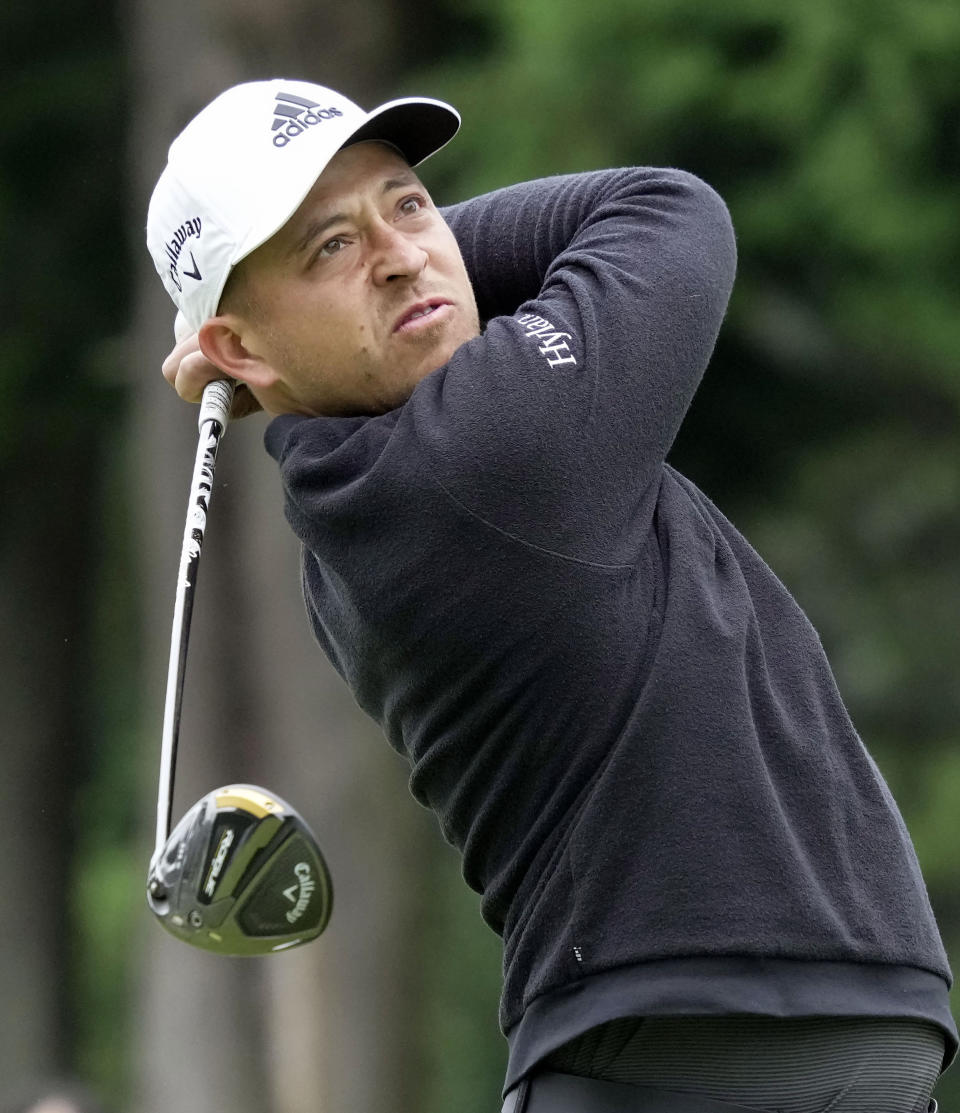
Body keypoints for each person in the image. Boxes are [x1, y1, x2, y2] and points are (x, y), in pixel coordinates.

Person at [148, 78, 956, 1113]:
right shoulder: (491, 452)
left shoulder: (358, 519)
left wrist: (324, 304)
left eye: (409, 203)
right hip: (688, 1040)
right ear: (238, 350)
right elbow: (666, 210)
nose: (403, 252)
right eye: (329, 249)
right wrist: (409, 278)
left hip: (750, 1030)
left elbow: (430, 291)